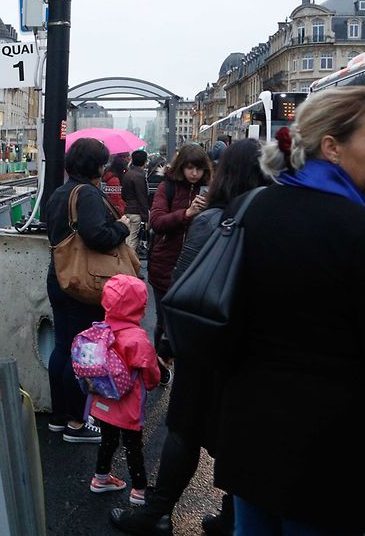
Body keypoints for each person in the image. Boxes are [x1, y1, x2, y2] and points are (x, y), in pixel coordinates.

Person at [214, 86, 365, 535]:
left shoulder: (251, 208)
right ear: (332, 147)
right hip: (329, 449)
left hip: (251, 433)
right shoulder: (362, 229)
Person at [110, 138, 269, 536]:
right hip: (248, 350)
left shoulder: (210, 219)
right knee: (233, 432)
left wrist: (170, 342)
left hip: (203, 346)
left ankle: (156, 512)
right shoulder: (271, 219)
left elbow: (185, 282)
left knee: (184, 430)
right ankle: (232, 514)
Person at [44, 137, 133, 442]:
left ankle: (58, 416)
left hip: (59, 277)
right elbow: (98, 237)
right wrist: (122, 226)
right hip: (83, 283)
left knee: (61, 347)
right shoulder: (89, 195)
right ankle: (76, 423)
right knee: (78, 351)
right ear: (96, 165)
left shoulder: (59, 193)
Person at [84, 274, 161, 507]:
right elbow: (150, 372)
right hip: (127, 406)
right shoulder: (135, 338)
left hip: (102, 402)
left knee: (107, 441)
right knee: (132, 445)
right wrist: (151, 384)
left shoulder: (100, 330)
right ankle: (139, 490)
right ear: (138, 306)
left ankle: (101, 478)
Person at [147, 143, 212, 377]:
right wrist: (186, 214)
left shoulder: (211, 189)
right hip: (166, 265)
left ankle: (186, 369)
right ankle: (160, 365)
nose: (194, 173)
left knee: (191, 322)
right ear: (181, 167)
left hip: (198, 267)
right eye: (189, 168)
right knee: (164, 321)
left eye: (199, 169)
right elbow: (157, 222)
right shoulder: (168, 187)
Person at [121, 150, 150, 254]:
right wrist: (145, 218)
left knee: (127, 240)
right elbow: (142, 198)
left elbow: (123, 194)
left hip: (128, 210)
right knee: (132, 242)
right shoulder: (140, 176)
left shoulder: (128, 174)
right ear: (145, 161)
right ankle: (128, 265)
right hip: (137, 212)